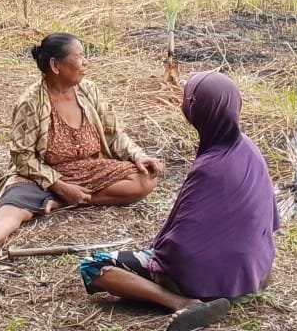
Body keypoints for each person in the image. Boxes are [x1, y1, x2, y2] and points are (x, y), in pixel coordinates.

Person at [76, 71, 279, 331]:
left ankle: (181, 302)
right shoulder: (249, 151)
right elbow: (269, 221)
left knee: (93, 266)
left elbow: (181, 248)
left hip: (203, 281)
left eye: (187, 99)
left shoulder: (210, 166)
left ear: (196, 110)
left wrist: (157, 259)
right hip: (253, 277)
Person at [0, 33, 164, 260]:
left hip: (89, 169)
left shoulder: (89, 90)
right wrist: (58, 185)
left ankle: (59, 203)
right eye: (79, 56)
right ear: (55, 65)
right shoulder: (31, 103)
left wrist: (138, 155)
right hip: (42, 176)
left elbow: (114, 134)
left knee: (146, 179)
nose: (86, 63)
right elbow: (22, 157)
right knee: (14, 203)